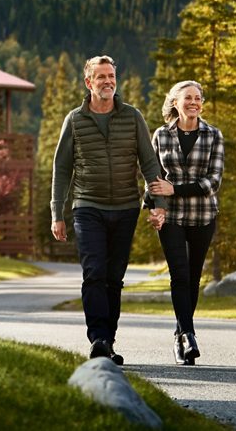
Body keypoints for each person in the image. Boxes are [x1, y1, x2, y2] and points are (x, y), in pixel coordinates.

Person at [51, 55, 169, 365]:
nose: (108, 82)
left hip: (126, 207)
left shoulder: (132, 117)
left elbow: (149, 163)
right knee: (94, 273)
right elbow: (61, 169)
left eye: (111, 76)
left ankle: (108, 342)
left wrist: (159, 205)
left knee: (114, 278)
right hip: (87, 205)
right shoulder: (74, 120)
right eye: (101, 77)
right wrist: (56, 213)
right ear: (88, 83)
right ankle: (98, 339)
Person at [145, 80, 224, 366]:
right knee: (179, 274)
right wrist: (154, 208)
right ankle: (188, 336)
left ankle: (180, 332)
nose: (194, 102)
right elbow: (153, 178)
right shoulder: (161, 135)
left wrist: (175, 189)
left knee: (193, 276)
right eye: (188, 98)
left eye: (198, 98)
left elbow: (212, 182)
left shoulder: (213, 135)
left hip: (203, 216)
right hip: (172, 217)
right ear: (175, 103)